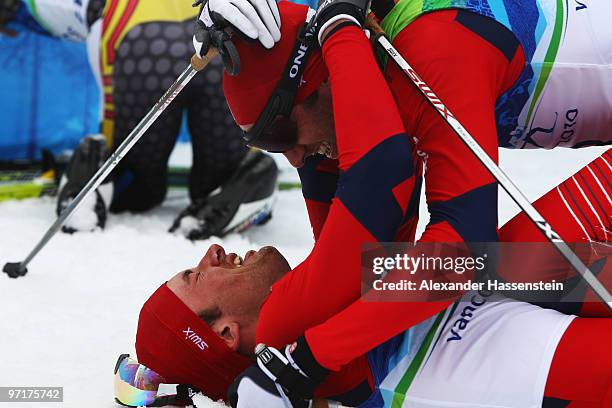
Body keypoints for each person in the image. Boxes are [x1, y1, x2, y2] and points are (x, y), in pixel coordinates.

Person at [130, 150, 611, 407]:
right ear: (226, 333)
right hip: (557, 367)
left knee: (483, 258)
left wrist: (306, 136)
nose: (213, 251)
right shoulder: (305, 341)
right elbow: (382, 170)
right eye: (196, 275)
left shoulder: (335, 294)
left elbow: (370, 200)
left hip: (520, 295)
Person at [21, 0, 278, 238]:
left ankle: (90, 166)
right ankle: (245, 180)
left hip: (139, 35)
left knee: (134, 186)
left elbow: (42, 8)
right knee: (221, 175)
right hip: (219, 31)